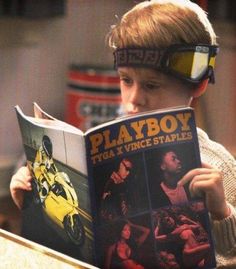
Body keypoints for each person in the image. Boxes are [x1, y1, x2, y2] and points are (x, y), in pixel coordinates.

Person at [10, 0, 236, 267]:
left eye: (152, 85)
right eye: (126, 80)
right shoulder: (102, 147)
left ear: (197, 85)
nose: (133, 99)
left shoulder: (219, 166)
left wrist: (223, 212)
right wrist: (32, 200)